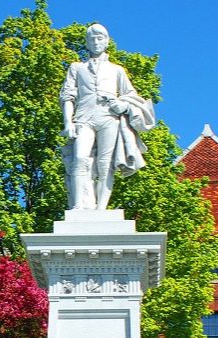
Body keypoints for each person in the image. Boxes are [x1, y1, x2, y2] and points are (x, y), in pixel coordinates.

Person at [60, 23, 155, 210]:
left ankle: (101, 209)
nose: (96, 42)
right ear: (86, 43)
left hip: (108, 118)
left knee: (106, 164)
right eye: (92, 39)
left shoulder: (117, 70)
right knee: (79, 158)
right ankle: (79, 206)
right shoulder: (76, 68)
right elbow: (67, 96)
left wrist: (122, 105)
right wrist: (68, 122)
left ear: (107, 41)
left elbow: (131, 95)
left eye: (100, 38)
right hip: (83, 118)